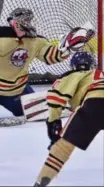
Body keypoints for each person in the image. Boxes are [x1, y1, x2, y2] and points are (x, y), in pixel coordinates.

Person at [0, 7, 89, 124]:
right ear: (14, 23)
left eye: (29, 20)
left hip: (17, 91)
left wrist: (67, 49)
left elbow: (51, 56)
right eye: (25, 20)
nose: (29, 23)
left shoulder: (35, 41)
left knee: (40, 113)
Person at [34, 52, 104, 186]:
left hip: (93, 104)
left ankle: (40, 182)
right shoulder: (99, 74)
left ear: (73, 66)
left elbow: (55, 99)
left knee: (62, 148)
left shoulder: (71, 75)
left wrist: (53, 121)